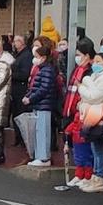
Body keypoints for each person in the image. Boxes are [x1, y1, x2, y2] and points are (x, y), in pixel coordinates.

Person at [58, 42, 103, 193]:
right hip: (91, 115)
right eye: (95, 61)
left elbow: (94, 97)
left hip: (100, 116)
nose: (95, 64)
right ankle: (93, 177)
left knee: (98, 150)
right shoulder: (96, 76)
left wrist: (82, 86)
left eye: (99, 62)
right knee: (95, 147)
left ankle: (99, 177)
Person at [19, 37, 59, 168]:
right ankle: (39, 156)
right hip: (39, 104)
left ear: (43, 57)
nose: (34, 59)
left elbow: (44, 88)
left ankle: (43, 157)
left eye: (37, 56)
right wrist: (29, 96)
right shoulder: (43, 69)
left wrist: (31, 98)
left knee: (42, 131)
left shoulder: (47, 70)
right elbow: (35, 87)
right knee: (38, 131)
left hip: (44, 105)